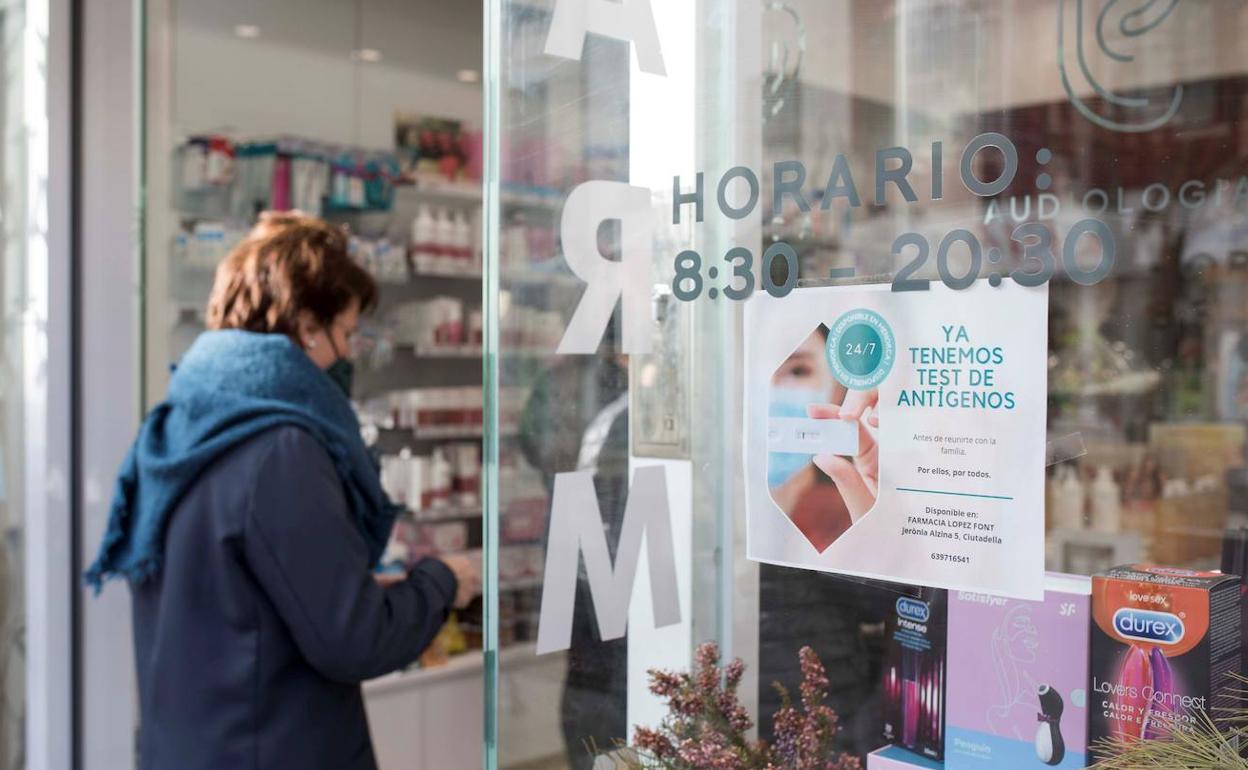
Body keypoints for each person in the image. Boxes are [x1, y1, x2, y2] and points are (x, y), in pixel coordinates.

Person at [84, 212, 479, 770]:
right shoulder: (282, 450)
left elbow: (228, 596)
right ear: (305, 326)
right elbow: (354, 640)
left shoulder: (177, 423)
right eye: (344, 332)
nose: (345, 355)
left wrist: (354, 587)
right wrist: (442, 582)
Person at [767, 325, 880, 550]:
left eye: (797, 371)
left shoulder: (855, 517)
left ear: (838, 391)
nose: (768, 391)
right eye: (753, 373)